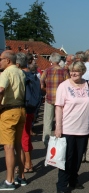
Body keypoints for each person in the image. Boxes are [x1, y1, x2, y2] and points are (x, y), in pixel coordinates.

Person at [55, 61, 89, 192]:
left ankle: (74, 179)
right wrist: (58, 126)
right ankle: (62, 185)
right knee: (66, 158)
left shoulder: (88, 84)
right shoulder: (63, 86)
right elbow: (59, 107)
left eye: (76, 71)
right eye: (71, 71)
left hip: (83, 128)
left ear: (82, 72)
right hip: (67, 127)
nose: (73, 73)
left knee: (78, 157)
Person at [0, 50, 27, 190]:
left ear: (8, 60)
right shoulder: (20, 72)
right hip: (21, 110)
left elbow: (1, 89)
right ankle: (21, 177)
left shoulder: (6, 73)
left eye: (1, 59)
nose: (0, 62)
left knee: (8, 147)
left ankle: (9, 181)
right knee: (18, 145)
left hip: (9, 111)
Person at [16, 53, 39, 174]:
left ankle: (27, 164)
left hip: (23, 108)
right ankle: (27, 162)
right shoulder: (33, 75)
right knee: (26, 137)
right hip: (31, 108)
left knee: (23, 137)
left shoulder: (22, 75)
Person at [41, 52, 70, 148]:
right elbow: (68, 85)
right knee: (60, 121)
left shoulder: (46, 71)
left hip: (49, 98)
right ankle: (60, 139)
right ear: (59, 61)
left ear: (50, 60)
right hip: (61, 100)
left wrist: (47, 90)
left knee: (47, 121)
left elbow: (41, 85)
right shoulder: (64, 71)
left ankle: (46, 141)